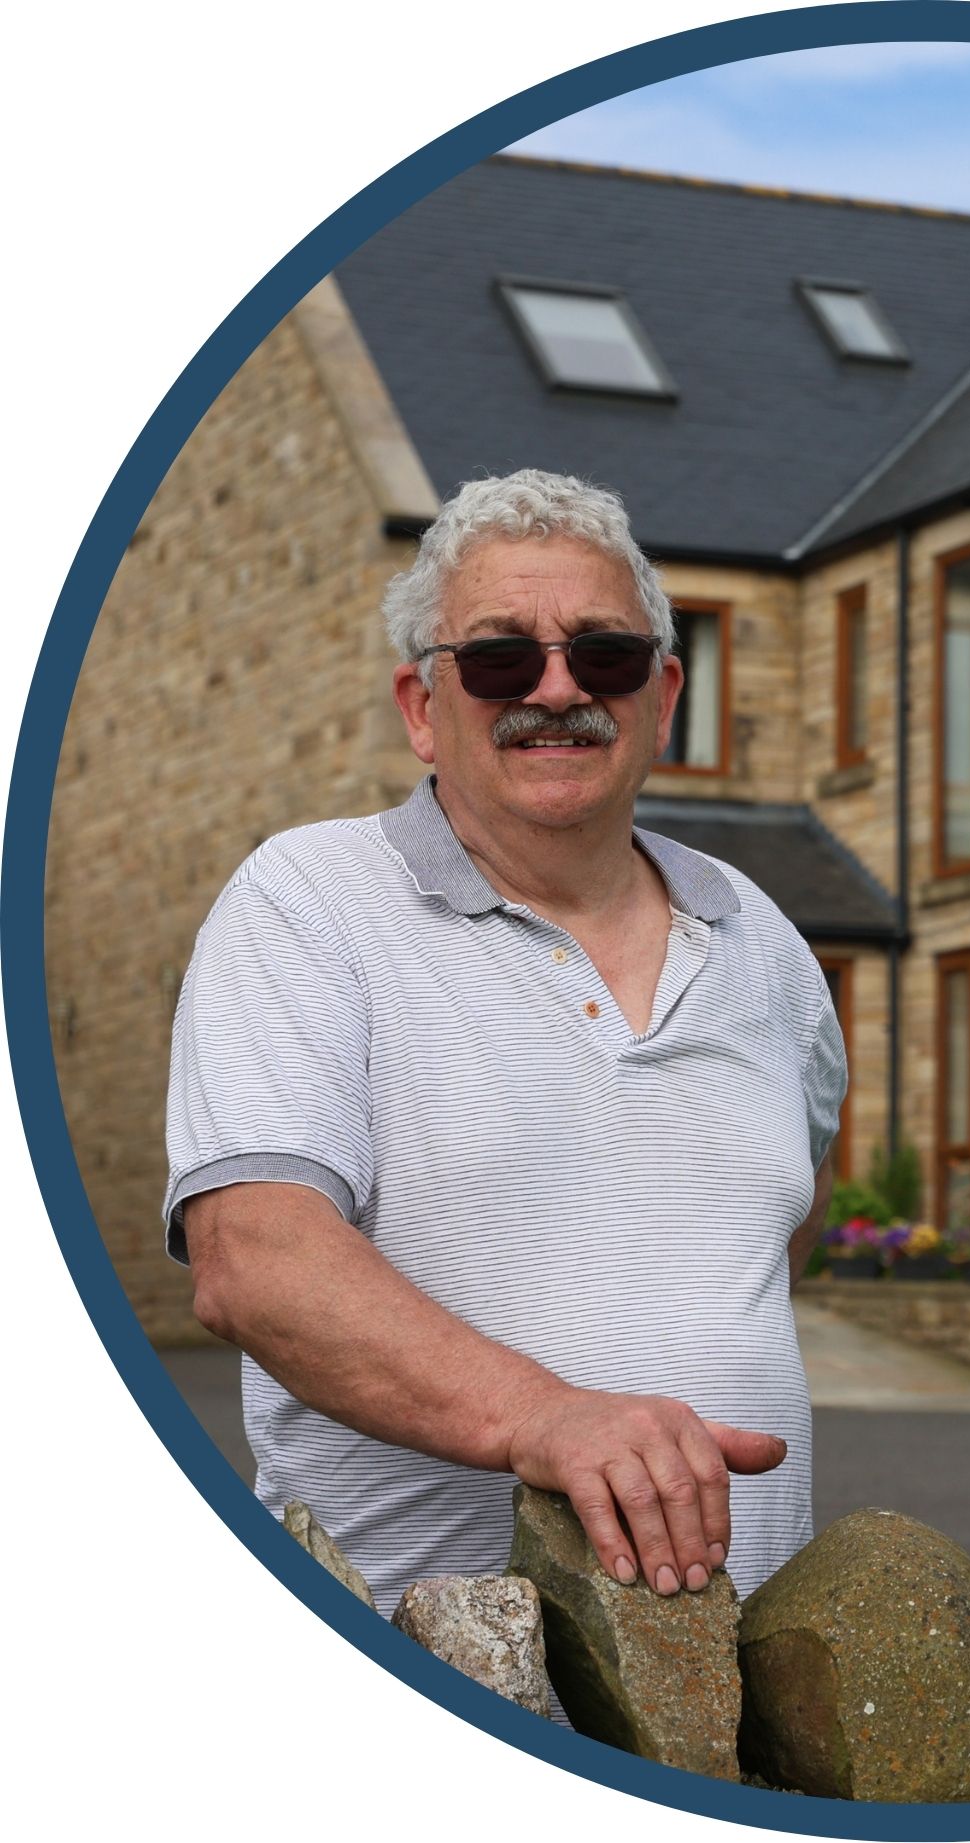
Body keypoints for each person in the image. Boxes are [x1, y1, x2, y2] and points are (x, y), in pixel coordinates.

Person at [165, 468, 846, 1616]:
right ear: (423, 706)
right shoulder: (308, 902)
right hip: (431, 1665)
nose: (557, 687)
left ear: (663, 692)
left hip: (745, 1693)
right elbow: (255, 1259)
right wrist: (546, 1416)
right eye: (499, 658)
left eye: (604, 655)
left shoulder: (764, 942)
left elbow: (767, 1239)